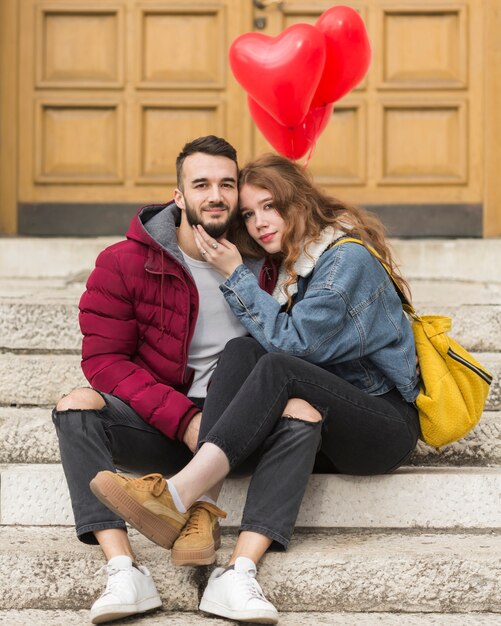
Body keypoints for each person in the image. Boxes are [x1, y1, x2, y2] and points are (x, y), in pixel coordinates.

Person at [90, 153, 421, 624]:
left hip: (381, 424)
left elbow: (295, 344)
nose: (260, 223)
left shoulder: (345, 257)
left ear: (299, 202)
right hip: (326, 418)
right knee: (241, 351)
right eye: (249, 214)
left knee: (278, 363)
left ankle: (181, 494)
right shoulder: (293, 262)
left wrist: (233, 275)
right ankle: (201, 512)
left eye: (271, 206)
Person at [53, 136, 308, 624]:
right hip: (164, 425)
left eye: (227, 184)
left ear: (239, 193)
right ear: (178, 195)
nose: (216, 195)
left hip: (243, 429)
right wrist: (186, 419)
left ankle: (237, 573)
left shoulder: (268, 265)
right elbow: (105, 360)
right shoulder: (125, 263)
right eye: (202, 184)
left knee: (301, 411)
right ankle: (124, 570)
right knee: (76, 403)